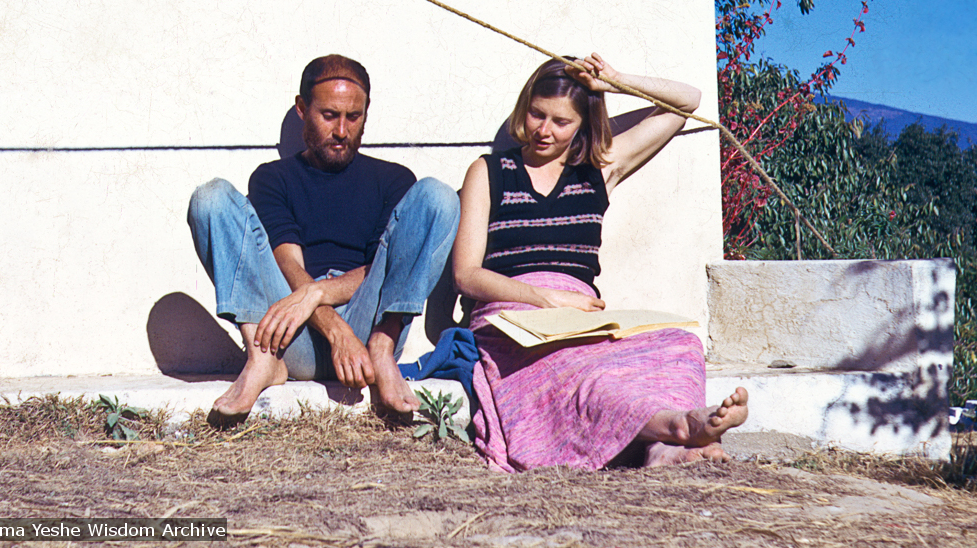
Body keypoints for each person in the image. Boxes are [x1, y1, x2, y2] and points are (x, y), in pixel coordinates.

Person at [452, 54, 748, 471]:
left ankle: (662, 449)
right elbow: (466, 275)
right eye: (537, 114)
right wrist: (544, 298)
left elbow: (688, 101)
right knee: (578, 369)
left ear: (583, 125)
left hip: (580, 317)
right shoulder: (489, 172)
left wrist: (616, 81)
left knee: (679, 343)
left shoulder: (599, 168)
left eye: (561, 122)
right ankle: (679, 426)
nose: (544, 130)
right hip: (513, 317)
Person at [188, 54, 460, 420]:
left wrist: (318, 294)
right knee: (212, 197)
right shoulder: (274, 178)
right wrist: (334, 330)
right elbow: (286, 263)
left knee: (438, 196)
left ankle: (383, 353)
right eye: (329, 115)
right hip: (287, 336)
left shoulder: (392, 179)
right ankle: (262, 361)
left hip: (369, 330)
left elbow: (386, 268)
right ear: (302, 109)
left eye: (354, 117)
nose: (342, 131)